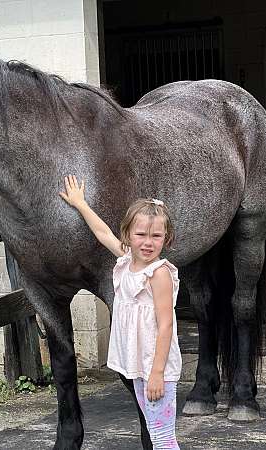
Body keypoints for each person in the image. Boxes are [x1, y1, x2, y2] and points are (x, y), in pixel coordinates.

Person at [59, 175, 181, 449]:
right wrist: (80, 204)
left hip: (154, 366)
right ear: (128, 234)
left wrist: (157, 373)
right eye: (141, 234)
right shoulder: (127, 260)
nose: (147, 242)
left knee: (162, 438)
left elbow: (166, 326)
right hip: (138, 364)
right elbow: (103, 233)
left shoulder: (158, 274)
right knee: (154, 428)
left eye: (156, 236)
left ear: (166, 238)